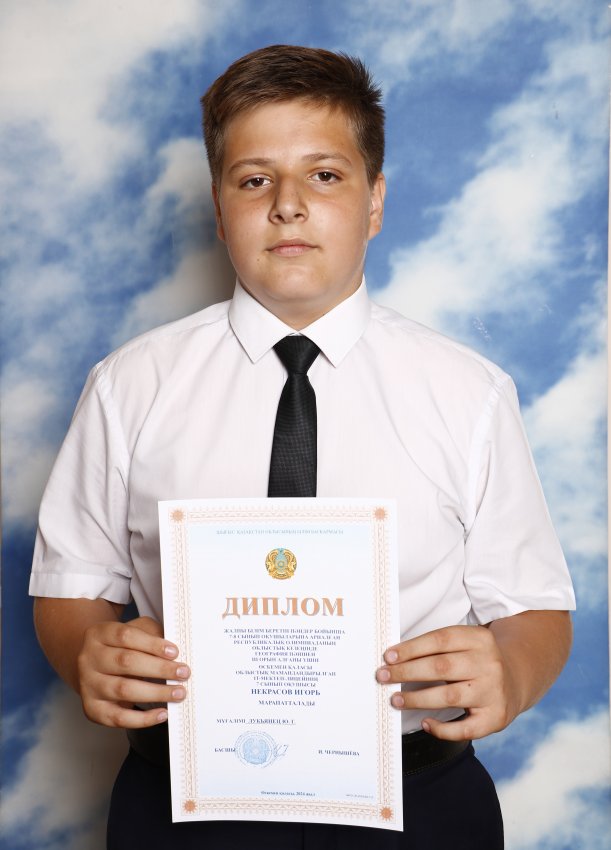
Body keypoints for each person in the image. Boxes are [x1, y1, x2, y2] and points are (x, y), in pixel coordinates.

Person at [30, 45, 575, 850]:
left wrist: (514, 672)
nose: (288, 205)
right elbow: (69, 586)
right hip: (183, 797)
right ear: (219, 210)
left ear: (374, 201)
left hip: (416, 799)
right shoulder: (128, 386)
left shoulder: (469, 392)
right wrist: (87, 650)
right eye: (254, 180)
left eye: (324, 175)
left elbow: (533, 605)